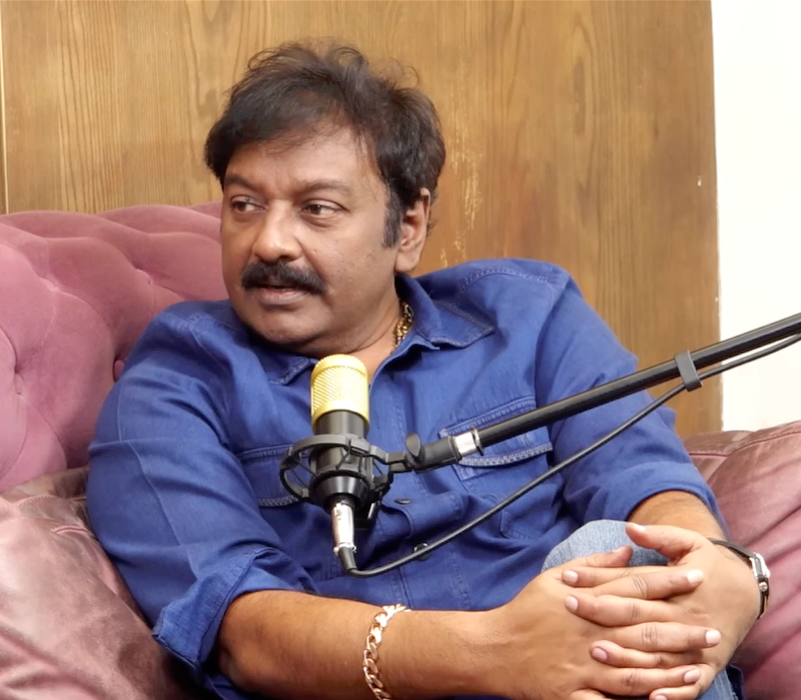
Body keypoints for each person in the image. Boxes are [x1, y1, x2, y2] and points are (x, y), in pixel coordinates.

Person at [86, 41, 765, 700]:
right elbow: (245, 630)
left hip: (592, 670)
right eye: (244, 205)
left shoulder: (529, 316)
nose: (268, 241)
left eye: (316, 209)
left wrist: (721, 573)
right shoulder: (176, 381)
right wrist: (500, 654)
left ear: (408, 226)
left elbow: (644, 480)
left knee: (623, 553)